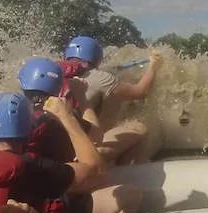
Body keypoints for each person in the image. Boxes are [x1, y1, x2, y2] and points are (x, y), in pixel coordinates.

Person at [18, 57, 143, 213]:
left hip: (29, 204)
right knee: (132, 194)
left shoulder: (17, 115)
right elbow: (97, 136)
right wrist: (81, 98)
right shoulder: (60, 116)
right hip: (58, 205)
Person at [60, 36, 162, 165]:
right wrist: (153, 66)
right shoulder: (101, 78)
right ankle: (125, 169)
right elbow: (141, 92)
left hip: (56, 150)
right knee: (139, 127)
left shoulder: (53, 72)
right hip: (83, 153)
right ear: (96, 57)